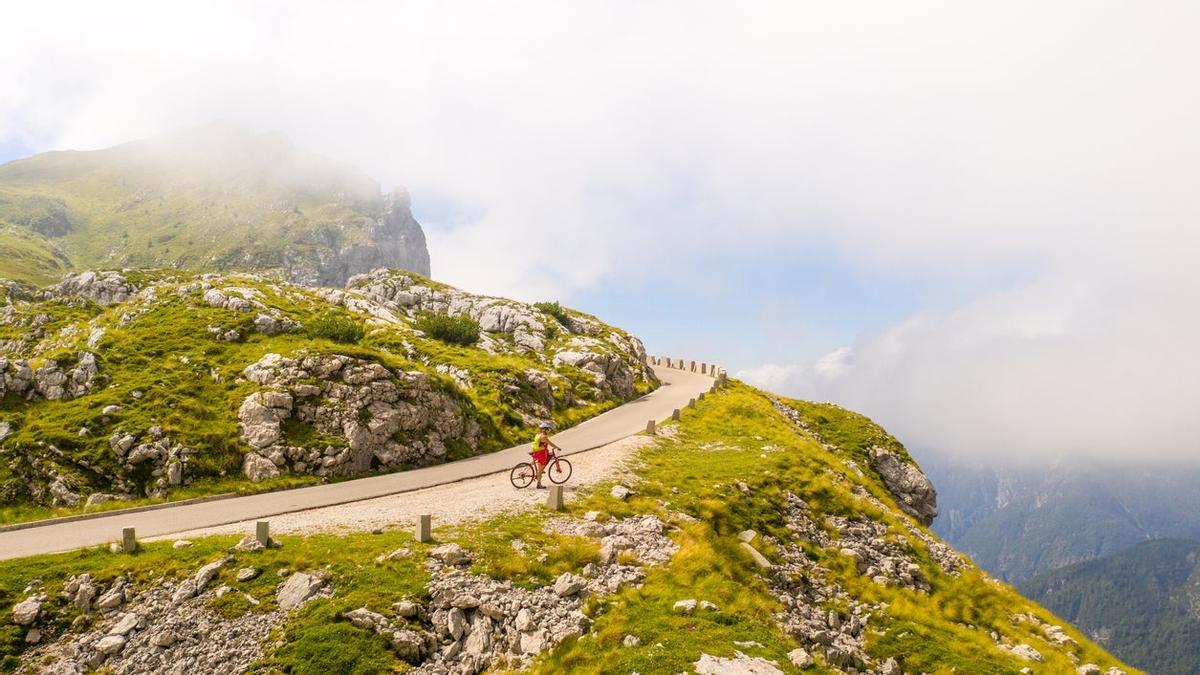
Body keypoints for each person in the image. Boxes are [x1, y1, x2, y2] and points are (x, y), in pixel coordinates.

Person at [531, 421, 560, 489]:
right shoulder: (543, 437)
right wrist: (557, 447)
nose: (549, 431)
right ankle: (538, 484)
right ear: (545, 429)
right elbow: (550, 443)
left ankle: (539, 474)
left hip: (536, 452)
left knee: (540, 468)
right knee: (540, 470)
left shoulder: (538, 434)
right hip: (541, 453)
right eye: (548, 429)